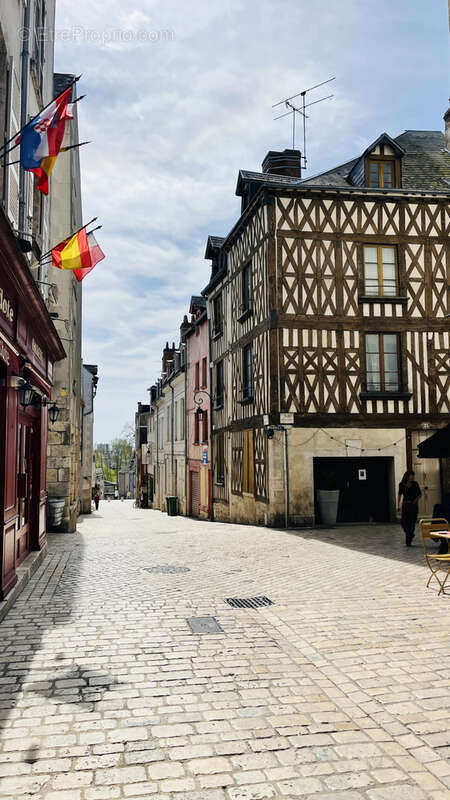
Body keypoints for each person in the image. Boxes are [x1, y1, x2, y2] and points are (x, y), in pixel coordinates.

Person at [397, 470, 421, 546]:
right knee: (404, 523)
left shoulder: (415, 484)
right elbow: (399, 495)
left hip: (413, 506)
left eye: (413, 476)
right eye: (411, 476)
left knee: (411, 523)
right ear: (407, 476)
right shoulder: (401, 484)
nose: (412, 478)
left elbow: (419, 494)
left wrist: (416, 500)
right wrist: (398, 506)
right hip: (405, 505)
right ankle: (410, 534)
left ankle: (408, 541)